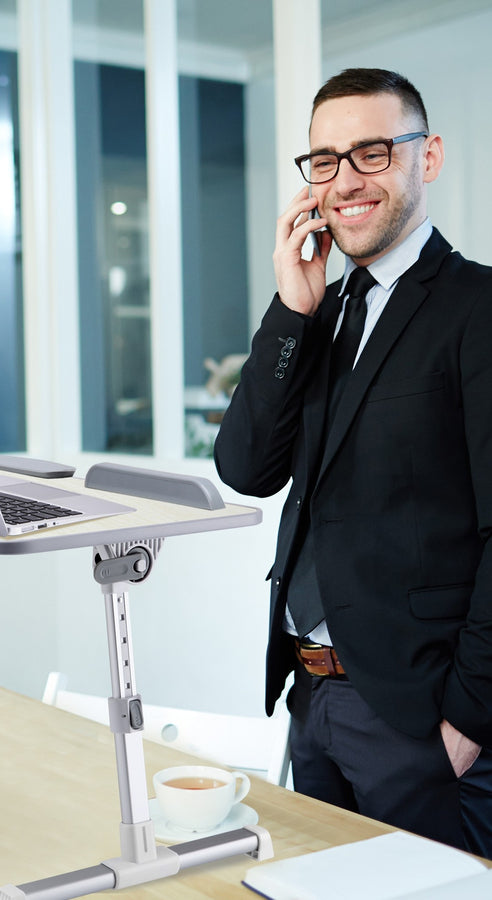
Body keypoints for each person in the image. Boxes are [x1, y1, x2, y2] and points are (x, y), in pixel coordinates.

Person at [213, 68, 492, 856]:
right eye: (325, 160)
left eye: (373, 153)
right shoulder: (321, 312)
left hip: (420, 716)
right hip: (311, 697)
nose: (345, 181)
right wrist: (290, 309)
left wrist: (467, 719)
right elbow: (246, 467)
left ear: (428, 156)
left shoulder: (478, 309)